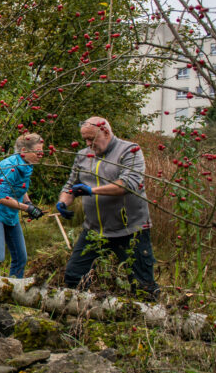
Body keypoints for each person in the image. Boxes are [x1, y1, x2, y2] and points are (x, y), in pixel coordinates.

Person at [56, 117, 158, 299]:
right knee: (73, 276)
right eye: (85, 140)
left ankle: (149, 321)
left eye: (91, 139)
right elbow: (70, 185)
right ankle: (80, 315)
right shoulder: (83, 156)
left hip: (130, 229)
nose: (89, 144)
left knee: (142, 285)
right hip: (95, 230)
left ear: (105, 132)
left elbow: (127, 184)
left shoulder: (129, 151)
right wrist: (64, 201)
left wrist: (91, 190)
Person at [0, 133, 45, 277]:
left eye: (42, 151)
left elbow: (20, 187)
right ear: (23, 151)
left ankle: (15, 288)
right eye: (38, 152)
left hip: (10, 216)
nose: (41, 155)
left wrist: (28, 203)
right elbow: (2, 198)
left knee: (21, 258)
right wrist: (28, 208)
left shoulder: (26, 165)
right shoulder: (10, 167)